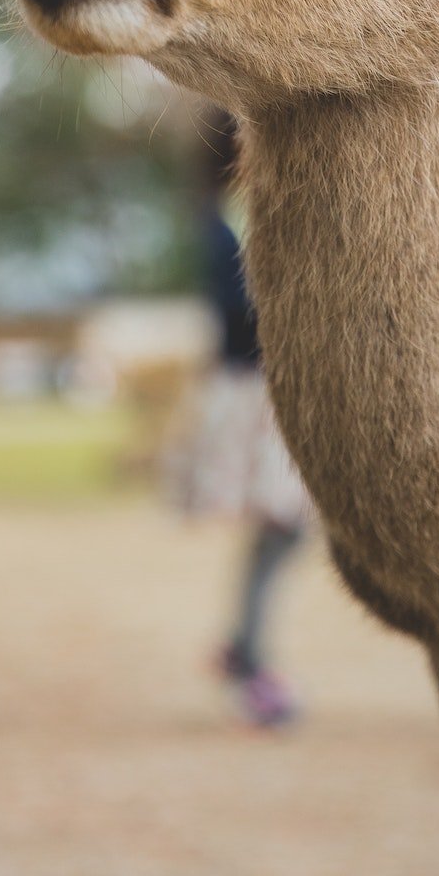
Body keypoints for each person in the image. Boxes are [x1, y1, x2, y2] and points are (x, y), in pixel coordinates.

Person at [171, 113, 311, 727]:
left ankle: (243, 648)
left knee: (283, 527)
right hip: (252, 392)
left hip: (263, 389)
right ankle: (250, 658)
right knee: (284, 524)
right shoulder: (229, 221)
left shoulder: (242, 212)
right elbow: (240, 305)